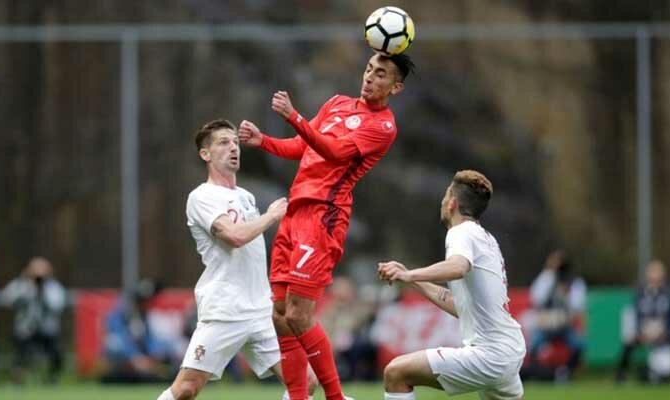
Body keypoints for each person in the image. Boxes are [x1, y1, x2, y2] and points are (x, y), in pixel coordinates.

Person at [239, 52, 415, 400]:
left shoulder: (383, 127)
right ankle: (298, 397)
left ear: (395, 87)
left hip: (324, 216)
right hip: (295, 211)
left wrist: (294, 116)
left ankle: (336, 397)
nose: (369, 77)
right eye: (368, 69)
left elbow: (334, 151)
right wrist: (265, 141)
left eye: (381, 75)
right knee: (279, 315)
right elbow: (305, 147)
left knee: (299, 315)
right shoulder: (337, 103)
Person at [156, 119, 317, 400]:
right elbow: (234, 236)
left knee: (305, 381)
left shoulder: (245, 196)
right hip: (225, 310)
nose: (233, 148)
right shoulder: (201, 197)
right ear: (205, 154)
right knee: (185, 390)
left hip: (260, 310)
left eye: (235, 142)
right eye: (223, 142)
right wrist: (271, 216)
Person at [377, 170, 526, 400]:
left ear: (452, 203)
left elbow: (458, 267)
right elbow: (460, 306)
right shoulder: (485, 238)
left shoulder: (460, 232)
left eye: (446, 196)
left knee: (396, 372)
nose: (443, 201)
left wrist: (410, 276)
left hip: (490, 355)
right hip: (508, 350)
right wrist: (413, 279)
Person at [0, 256, 67, 384]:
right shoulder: (21, 284)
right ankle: (18, 378)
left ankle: (52, 378)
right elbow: (6, 299)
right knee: (22, 351)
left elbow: (57, 306)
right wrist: (27, 287)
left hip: (47, 330)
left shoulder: (53, 287)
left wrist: (42, 291)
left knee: (56, 352)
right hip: (25, 329)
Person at [101, 279, 178, 383]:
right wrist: (134, 357)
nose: (146, 304)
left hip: (143, 364)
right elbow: (116, 344)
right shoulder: (118, 317)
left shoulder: (144, 317)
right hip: (122, 364)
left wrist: (154, 355)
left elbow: (151, 341)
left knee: (167, 370)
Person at [615, 259, 670, 382]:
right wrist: (641, 332)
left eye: (657, 272)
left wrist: (665, 333)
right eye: (652, 273)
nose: (655, 276)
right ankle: (620, 375)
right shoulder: (640, 292)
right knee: (628, 344)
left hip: (663, 332)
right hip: (644, 331)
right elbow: (637, 315)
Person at [527, 249, 586, 382]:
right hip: (547, 324)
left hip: (565, 325)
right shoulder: (545, 278)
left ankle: (567, 374)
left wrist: (565, 295)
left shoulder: (574, 281)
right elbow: (536, 298)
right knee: (534, 345)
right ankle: (536, 374)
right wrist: (550, 282)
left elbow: (578, 305)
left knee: (578, 345)